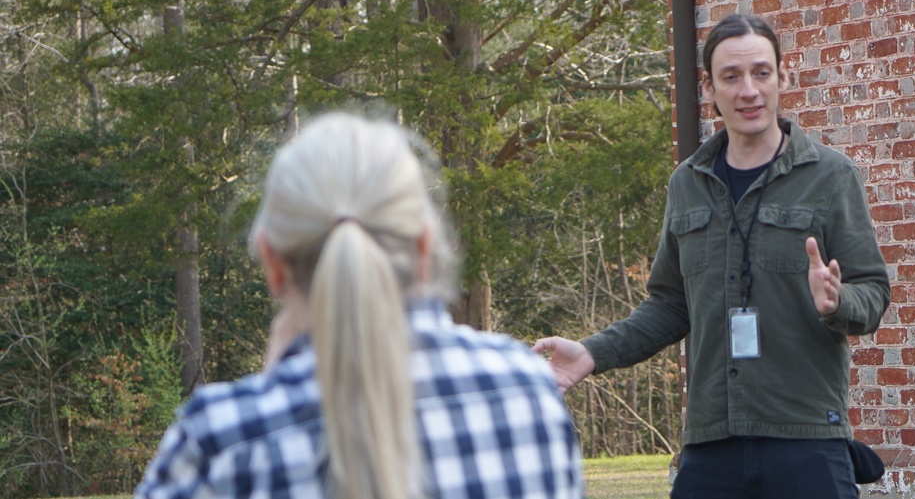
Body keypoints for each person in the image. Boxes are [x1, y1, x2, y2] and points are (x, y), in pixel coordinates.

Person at [533, 13, 890, 499]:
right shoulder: (687, 183)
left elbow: (872, 292)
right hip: (711, 442)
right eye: (732, 76)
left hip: (806, 439)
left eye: (761, 73)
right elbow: (669, 305)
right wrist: (593, 353)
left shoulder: (831, 176)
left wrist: (837, 302)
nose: (749, 90)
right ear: (710, 88)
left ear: (783, 77)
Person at [135, 113, 583, 499]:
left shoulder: (221, 438)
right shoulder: (523, 389)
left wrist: (275, 384)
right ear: (425, 248)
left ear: (272, 262)